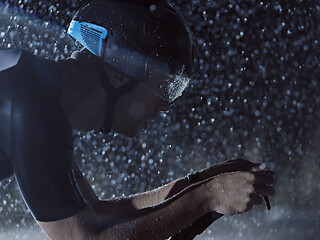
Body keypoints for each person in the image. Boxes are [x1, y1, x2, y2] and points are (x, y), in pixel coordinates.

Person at [0, 0, 275, 239]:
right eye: (163, 85)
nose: (166, 105)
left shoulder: (35, 97)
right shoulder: (30, 105)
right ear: (119, 73)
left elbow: (95, 213)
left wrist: (198, 184)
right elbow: (84, 237)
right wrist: (207, 196)